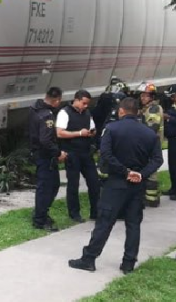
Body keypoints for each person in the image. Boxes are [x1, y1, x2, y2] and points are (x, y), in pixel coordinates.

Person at [68, 97, 163, 274]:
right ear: (137, 112)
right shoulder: (149, 134)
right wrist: (140, 174)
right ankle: (128, 263)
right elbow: (158, 159)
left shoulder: (112, 129)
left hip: (116, 183)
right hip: (137, 185)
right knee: (133, 224)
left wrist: (125, 172)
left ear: (121, 111)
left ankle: (89, 258)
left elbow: (106, 155)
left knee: (105, 222)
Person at [56, 89, 100, 222]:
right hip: (71, 153)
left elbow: (93, 128)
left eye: (88, 104)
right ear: (77, 99)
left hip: (86, 152)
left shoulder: (87, 113)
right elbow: (60, 133)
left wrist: (92, 133)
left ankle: (96, 212)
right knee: (73, 184)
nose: (86, 106)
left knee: (94, 182)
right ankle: (74, 213)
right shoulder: (65, 112)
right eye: (84, 103)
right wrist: (79, 133)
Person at [29, 87, 65, 231]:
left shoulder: (34, 108)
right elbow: (45, 140)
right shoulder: (47, 116)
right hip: (45, 156)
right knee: (46, 188)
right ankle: (40, 219)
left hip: (38, 153)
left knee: (53, 185)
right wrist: (58, 153)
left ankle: (41, 212)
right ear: (56, 101)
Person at [138, 82, 163, 207]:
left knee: (151, 172)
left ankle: (152, 199)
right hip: (149, 144)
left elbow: (151, 128)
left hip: (152, 145)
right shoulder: (146, 108)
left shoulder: (154, 109)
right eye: (142, 95)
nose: (143, 98)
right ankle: (150, 197)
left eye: (146, 96)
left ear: (152, 97)